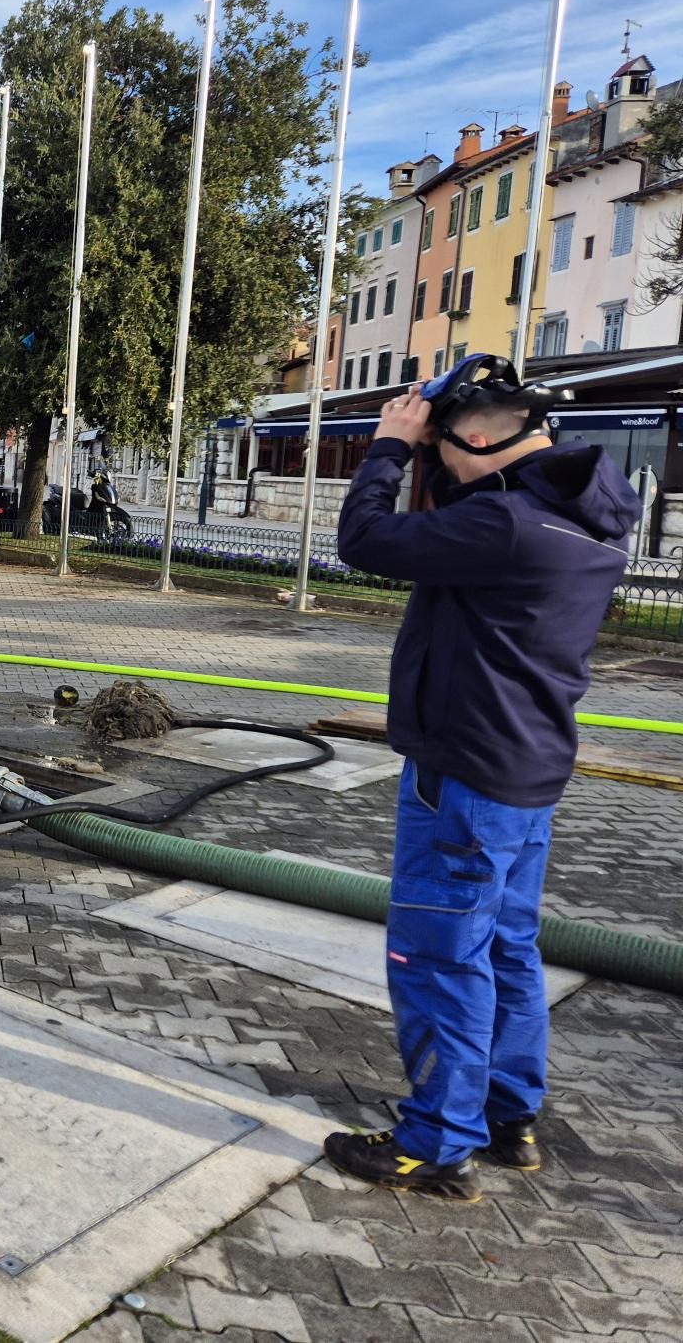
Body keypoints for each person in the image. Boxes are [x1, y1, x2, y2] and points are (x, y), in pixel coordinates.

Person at [327, 354, 638, 1202]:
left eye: (442, 452)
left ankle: (436, 1143)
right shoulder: (580, 515)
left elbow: (364, 540)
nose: (439, 470)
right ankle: (509, 1114)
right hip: (529, 770)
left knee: (436, 956)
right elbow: (472, 503)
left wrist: (389, 447)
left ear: (473, 435)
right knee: (507, 949)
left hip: (462, 774)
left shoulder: (504, 528)